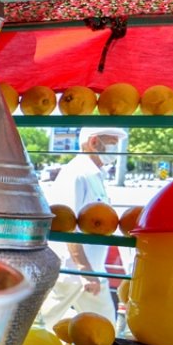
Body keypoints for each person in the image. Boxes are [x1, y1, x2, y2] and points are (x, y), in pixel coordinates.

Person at [39, 127, 126, 324]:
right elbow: (66, 224)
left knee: (99, 329)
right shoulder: (77, 174)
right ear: (94, 142)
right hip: (75, 273)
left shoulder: (94, 174)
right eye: (113, 143)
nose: (116, 150)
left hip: (88, 272)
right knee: (47, 324)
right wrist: (84, 270)